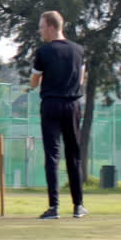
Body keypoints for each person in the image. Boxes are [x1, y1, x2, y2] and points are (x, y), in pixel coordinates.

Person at [30, 11, 87, 219]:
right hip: (72, 105)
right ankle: (78, 205)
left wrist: (38, 83)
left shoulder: (43, 52)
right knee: (74, 156)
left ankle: (54, 206)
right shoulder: (79, 50)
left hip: (51, 104)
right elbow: (81, 79)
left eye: (42, 27)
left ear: (53, 27)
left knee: (52, 156)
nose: (40, 31)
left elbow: (34, 81)